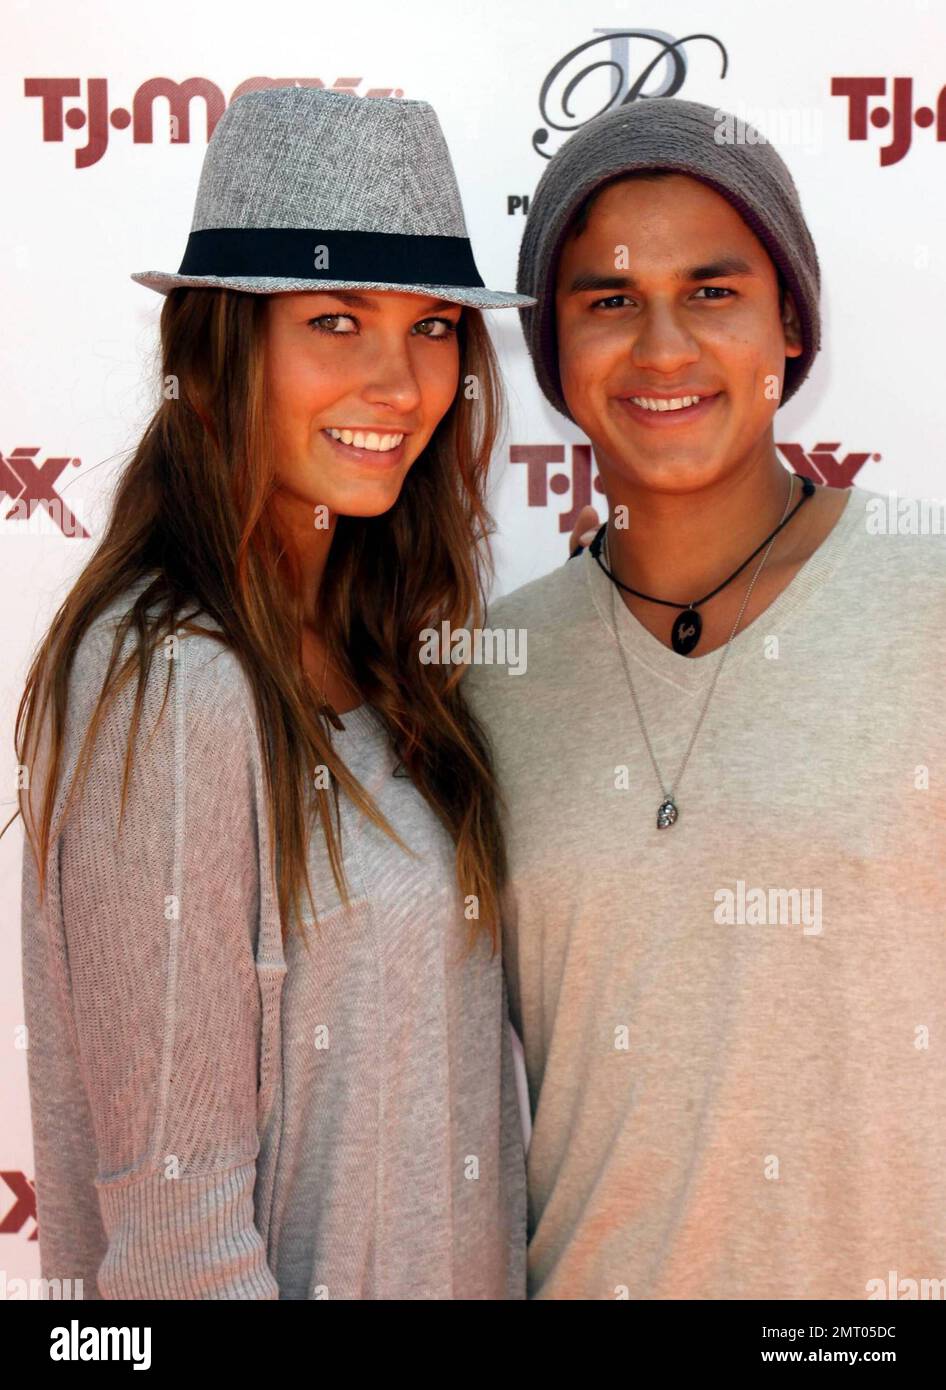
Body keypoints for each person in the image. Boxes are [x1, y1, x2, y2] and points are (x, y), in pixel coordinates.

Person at [11, 85, 534, 1300]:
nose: (401, 384)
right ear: (217, 345)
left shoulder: (379, 648)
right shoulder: (174, 683)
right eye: (337, 320)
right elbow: (176, 1241)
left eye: (431, 325)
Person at [464, 97, 946, 1299]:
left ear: (789, 321)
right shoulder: (483, 676)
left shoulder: (928, 600)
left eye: (713, 290)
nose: (663, 347)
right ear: (552, 349)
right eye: (610, 300)